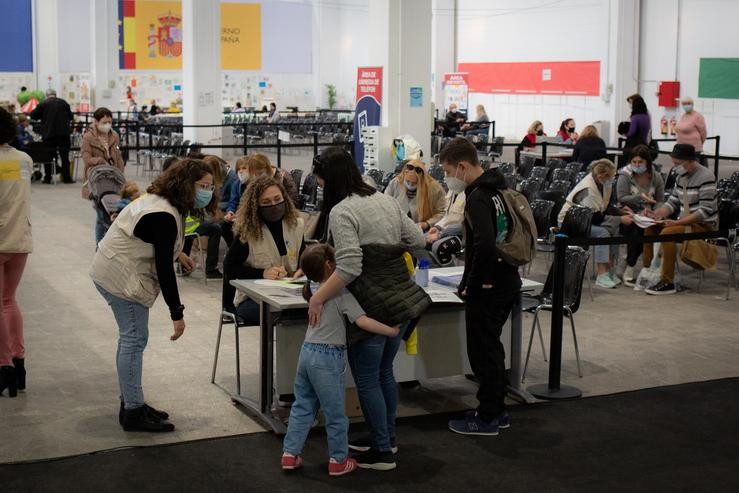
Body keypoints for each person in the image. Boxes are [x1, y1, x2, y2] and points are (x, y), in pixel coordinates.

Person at [308, 147, 428, 470]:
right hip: (401, 299)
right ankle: (386, 439)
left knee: (368, 379)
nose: (318, 186)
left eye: (320, 181)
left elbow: (349, 267)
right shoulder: (385, 200)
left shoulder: (342, 211)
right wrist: (388, 253)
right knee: (384, 372)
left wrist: (317, 297)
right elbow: (418, 240)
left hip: (371, 304)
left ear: (329, 180)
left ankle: (382, 453)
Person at [91, 158, 215, 432]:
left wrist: (178, 252)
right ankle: (133, 412)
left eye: (211, 186)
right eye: (203, 185)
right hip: (119, 276)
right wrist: (177, 313)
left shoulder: (163, 201)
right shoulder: (163, 213)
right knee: (134, 338)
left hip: (113, 266)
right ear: (186, 184)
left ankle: (132, 402)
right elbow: (163, 269)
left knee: (133, 338)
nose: (208, 191)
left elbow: (157, 243)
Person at [281, 244, 399, 477]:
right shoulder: (341, 293)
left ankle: (289, 454)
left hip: (307, 353)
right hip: (328, 358)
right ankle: (338, 459)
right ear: (329, 265)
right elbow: (363, 322)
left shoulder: (312, 288)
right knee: (335, 412)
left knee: (303, 406)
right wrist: (391, 331)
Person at [437, 138, 520, 436]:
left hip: (490, 284)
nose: (447, 177)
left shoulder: (478, 197)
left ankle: (487, 418)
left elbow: (484, 244)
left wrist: (473, 284)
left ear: (461, 166)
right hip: (504, 277)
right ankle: (495, 410)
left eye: (447, 170)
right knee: (492, 350)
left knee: (484, 353)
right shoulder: (496, 189)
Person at [222, 175, 306, 324]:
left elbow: (302, 259)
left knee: (309, 308)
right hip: (253, 298)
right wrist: (263, 273)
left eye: (277, 199)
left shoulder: (296, 225)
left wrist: (303, 269)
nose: (274, 205)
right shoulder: (247, 232)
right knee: (282, 313)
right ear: (256, 206)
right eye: (266, 202)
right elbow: (230, 268)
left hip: (289, 293)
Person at [643, 144, 717, 295]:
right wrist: (657, 214)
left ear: (689, 161)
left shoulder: (706, 176)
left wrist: (677, 222)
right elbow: (672, 202)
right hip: (684, 222)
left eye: (677, 163)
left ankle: (667, 281)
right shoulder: (681, 176)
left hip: (702, 225)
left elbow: (705, 211)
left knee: (668, 233)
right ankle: (648, 272)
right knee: (650, 228)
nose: (674, 167)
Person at [558, 159, 634, 289]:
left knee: (614, 229)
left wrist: (622, 212)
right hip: (571, 223)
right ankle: (601, 273)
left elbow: (605, 206)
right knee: (603, 232)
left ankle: (610, 268)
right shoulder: (588, 189)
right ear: (601, 176)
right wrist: (621, 219)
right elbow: (596, 218)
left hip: (589, 218)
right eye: (610, 177)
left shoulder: (603, 183)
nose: (612, 180)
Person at [0, 108, 33, 398]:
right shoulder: (24, 160)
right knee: (9, 301)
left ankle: (3, 366)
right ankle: (19, 363)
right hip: (19, 240)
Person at [616, 145, 665, 286]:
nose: (637, 165)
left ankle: (649, 268)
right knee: (637, 230)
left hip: (649, 215)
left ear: (647, 163)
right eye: (634, 162)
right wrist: (640, 198)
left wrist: (656, 212)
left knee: (656, 230)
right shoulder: (624, 175)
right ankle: (630, 266)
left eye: (640, 162)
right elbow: (621, 198)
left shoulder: (655, 176)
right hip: (628, 213)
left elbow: (660, 200)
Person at [81, 107, 126, 245]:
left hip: (114, 178)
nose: (107, 124)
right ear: (96, 121)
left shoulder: (114, 136)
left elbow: (118, 157)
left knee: (114, 213)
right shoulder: (88, 137)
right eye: (104, 122)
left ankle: (111, 243)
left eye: (110, 122)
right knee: (101, 215)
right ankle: (99, 245)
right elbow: (86, 158)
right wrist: (99, 161)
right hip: (96, 180)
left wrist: (121, 172)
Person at [181, 155, 226, 279]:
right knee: (216, 228)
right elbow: (210, 216)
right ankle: (211, 269)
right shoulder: (194, 191)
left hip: (186, 228)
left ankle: (183, 265)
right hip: (189, 228)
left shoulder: (192, 187)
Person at [383, 159, 446, 232]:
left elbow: (442, 212)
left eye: (414, 183)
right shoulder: (395, 183)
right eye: (408, 181)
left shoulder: (434, 188)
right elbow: (385, 204)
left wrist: (427, 223)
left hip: (423, 230)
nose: (410, 185)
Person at [29, 89, 74, 183]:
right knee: (65, 157)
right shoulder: (64, 103)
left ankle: (48, 178)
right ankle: (66, 178)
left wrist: (43, 116)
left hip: (49, 135)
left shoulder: (43, 104)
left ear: (47, 95)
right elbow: (71, 117)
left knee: (48, 157)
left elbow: (33, 115)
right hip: (64, 134)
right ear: (55, 95)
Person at [676, 97, 708, 166]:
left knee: (693, 169)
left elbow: (703, 133)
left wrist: (699, 144)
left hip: (694, 150)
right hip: (681, 148)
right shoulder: (683, 115)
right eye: (684, 104)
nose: (686, 105)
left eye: (688, 103)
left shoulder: (698, 116)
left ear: (692, 104)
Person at [621, 94, 651, 160]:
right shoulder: (647, 115)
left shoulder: (635, 117)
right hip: (644, 142)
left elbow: (632, 132)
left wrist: (625, 134)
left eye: (631, 103)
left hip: (633, 145)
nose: (630, 105)